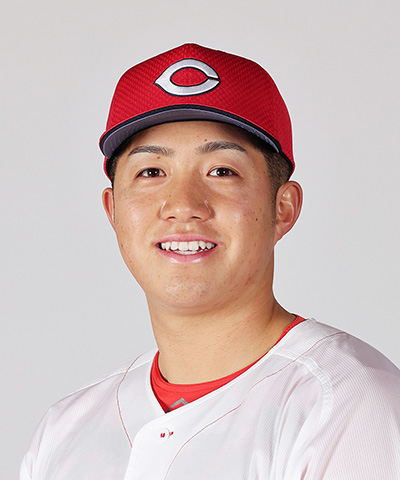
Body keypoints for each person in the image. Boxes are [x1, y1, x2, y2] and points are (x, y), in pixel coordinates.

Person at [20, 43, 400, 479]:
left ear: (283, 208)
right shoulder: (65, 431)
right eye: (151, 172)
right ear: (113, 210)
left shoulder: (348, 406)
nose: (183, 205)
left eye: (222, 171)